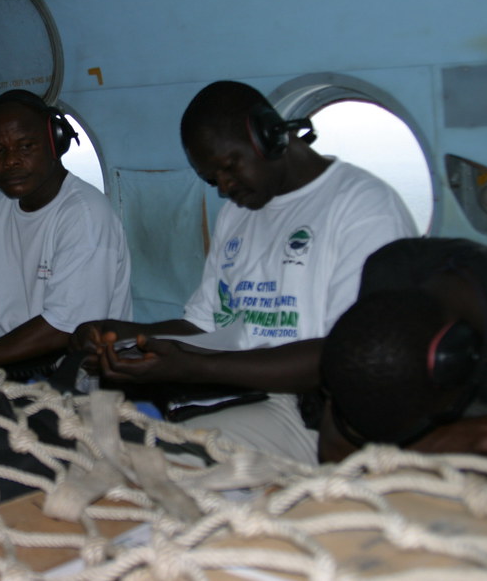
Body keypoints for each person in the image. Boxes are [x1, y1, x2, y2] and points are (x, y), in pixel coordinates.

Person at [71, 80, 417, 464]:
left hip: (323, 416)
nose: (224, 187)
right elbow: (205, 325)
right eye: (211, 179)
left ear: (270, 136)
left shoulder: (362, 207)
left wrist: (195, 368)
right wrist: (122, 334)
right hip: (252, 395)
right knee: (102, 446)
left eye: (229, 167)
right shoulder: (238, 214)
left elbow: (343, 358)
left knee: (156, 463)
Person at [0, 89, 132, 376]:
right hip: (3, 364)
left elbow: (64, 328)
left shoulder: (84, 215)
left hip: (73, 379)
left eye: (26, 147)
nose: (11, 160)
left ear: (55, 143)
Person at [319, 237, 487, 477]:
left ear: (455, 359)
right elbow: (336, 451)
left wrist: (452, 439)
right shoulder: (393, 270)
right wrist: (477, 436)